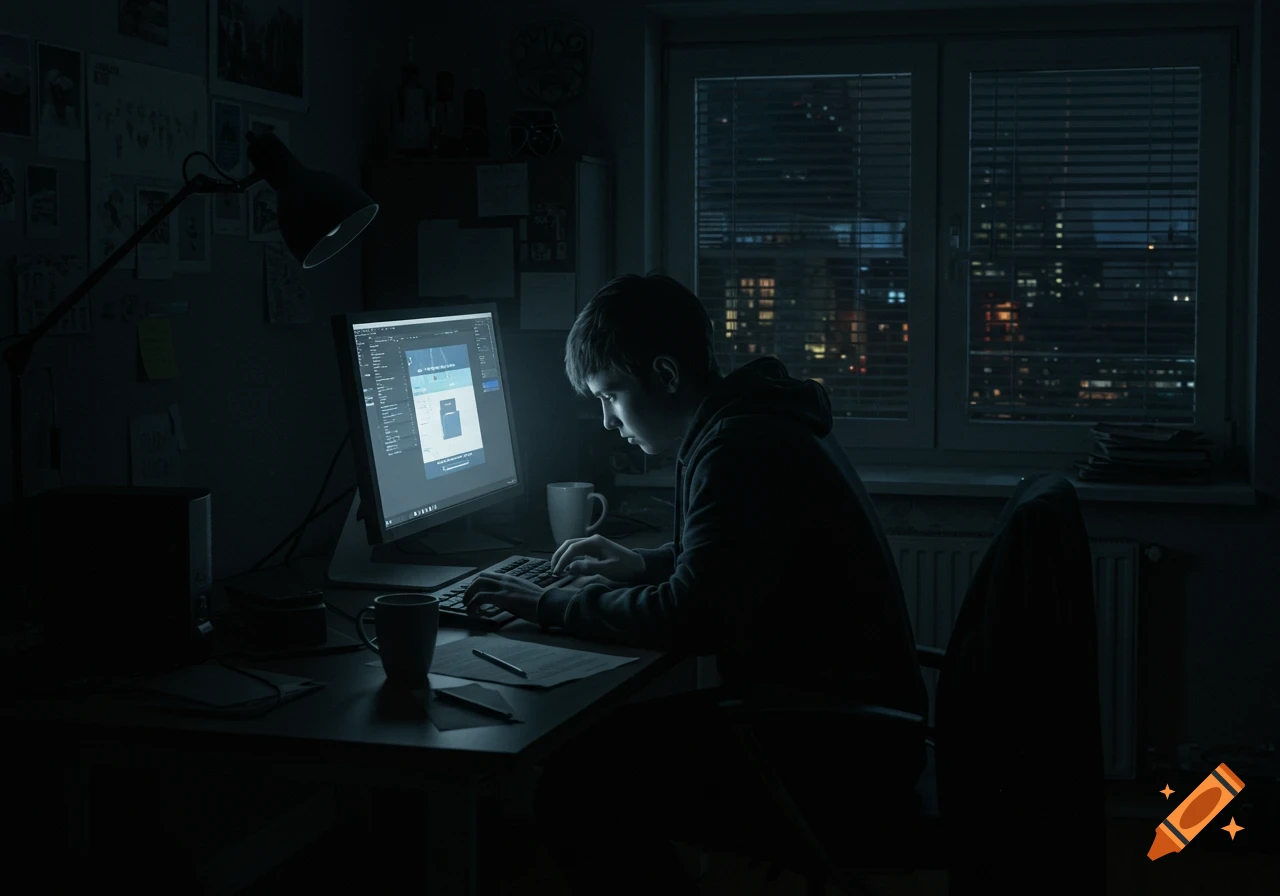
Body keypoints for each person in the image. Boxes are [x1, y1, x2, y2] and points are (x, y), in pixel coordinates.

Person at [464, 273, 928, 894]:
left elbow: (691, 616)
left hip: (830, 750)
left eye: (611, 396)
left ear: (665, 374)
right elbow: (743, 557)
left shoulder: (737, 447)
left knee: (576, 785)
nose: (606, 421)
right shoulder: (753, 421)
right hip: (849, 725)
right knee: (598, 760)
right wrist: (644, 564)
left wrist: (551, 603)